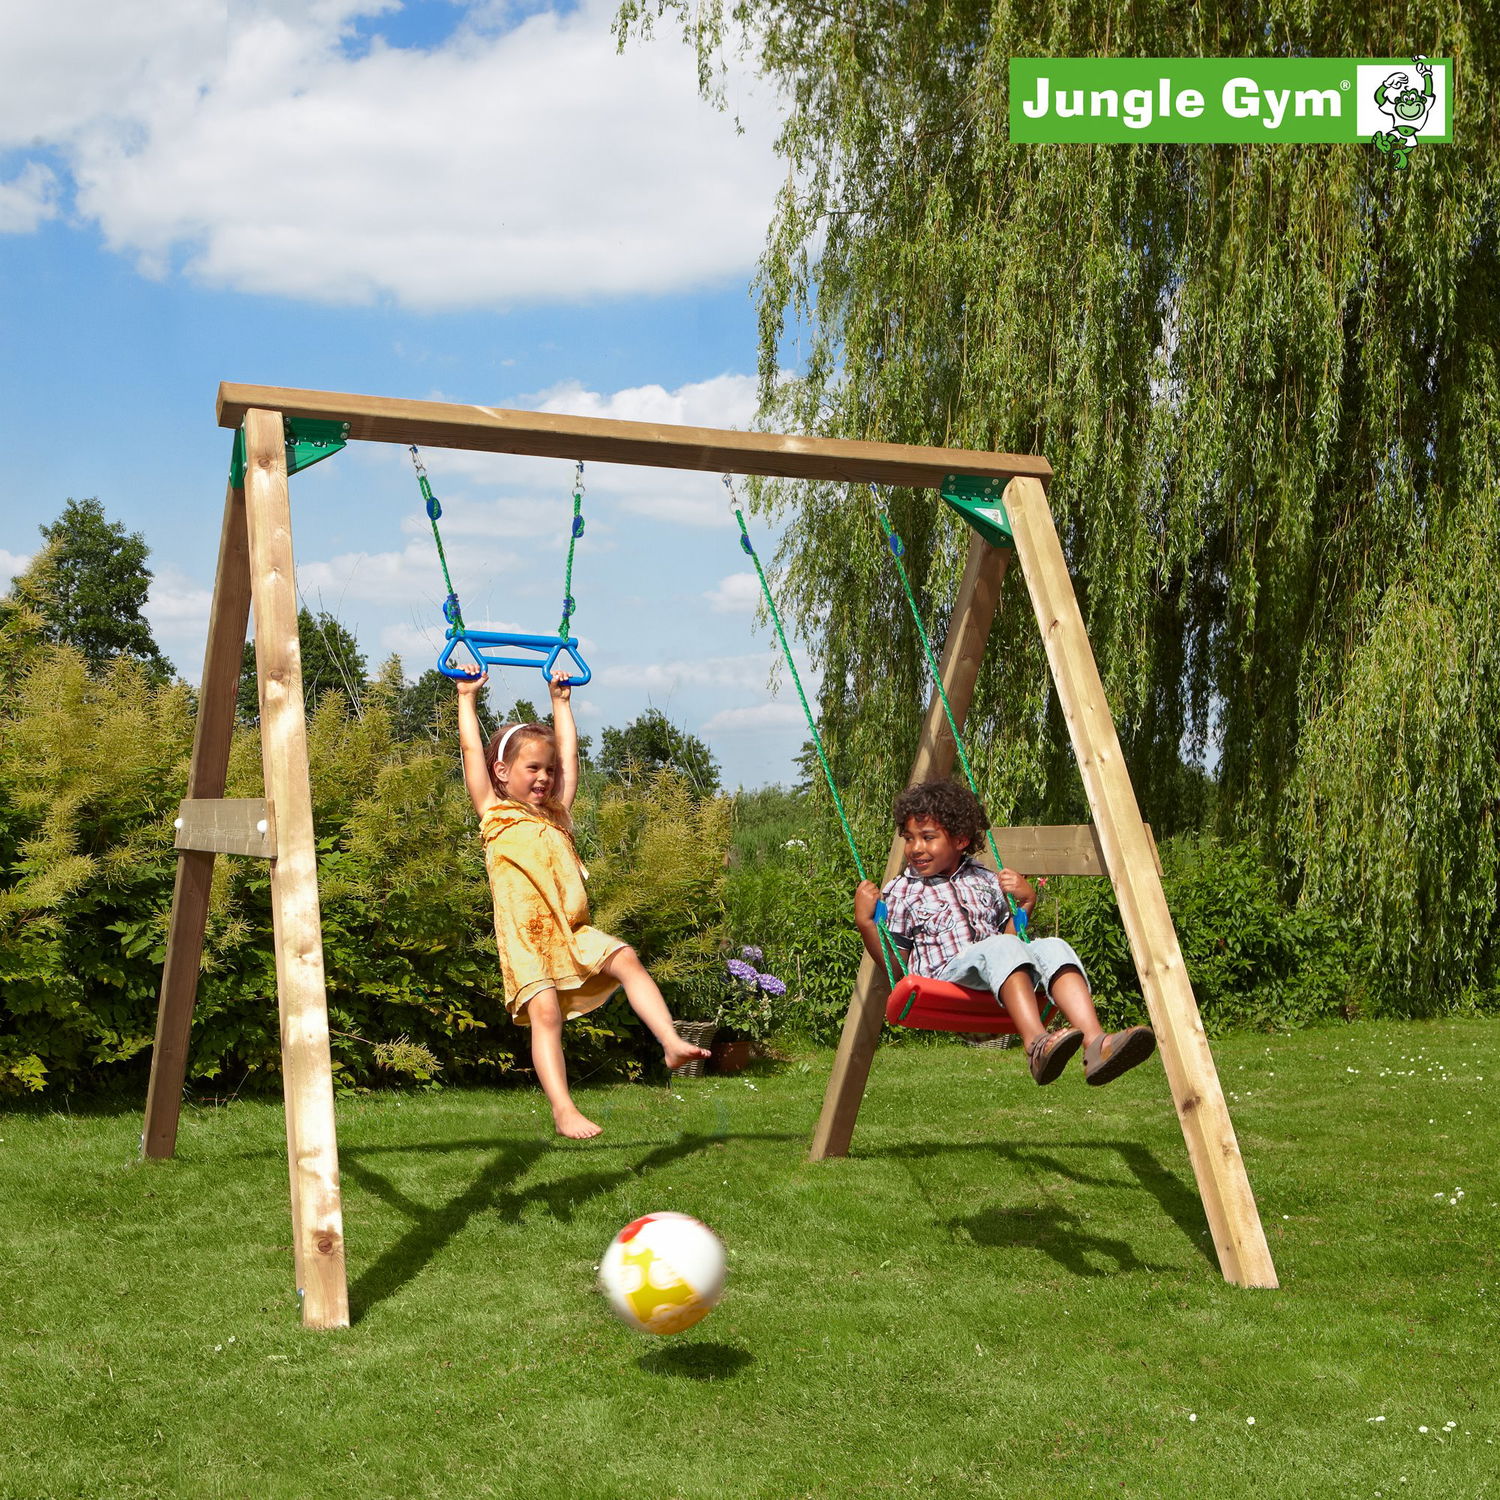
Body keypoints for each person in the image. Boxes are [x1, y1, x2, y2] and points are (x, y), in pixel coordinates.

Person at [455, 666, 709, 1138]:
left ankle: (671, 1041)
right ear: (502, 772)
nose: (545, 778)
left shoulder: (558, 816)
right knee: (546, 1015)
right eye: (533, 768)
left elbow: (570, 758)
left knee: (627, 958)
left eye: (548, 771)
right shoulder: (495, 815)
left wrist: (562, 703)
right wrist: (467, 699)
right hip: (526, 939)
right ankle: (563, 1109)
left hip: (572, 932)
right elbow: (471, 749)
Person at [853, 780, 1156, 1086]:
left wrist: (1026, 902)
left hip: (996, 983)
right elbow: (896, 968)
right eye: (909, 838)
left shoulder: (985, 878)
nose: (916, 848)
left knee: (1053, 946)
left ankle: (1096, 1044)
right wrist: (867, 923)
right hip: (945, 981)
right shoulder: (901, 891)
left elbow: (1013, 939)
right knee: (1000, 946)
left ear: (960, 839)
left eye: (928, 837)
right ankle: (1037, 1045)